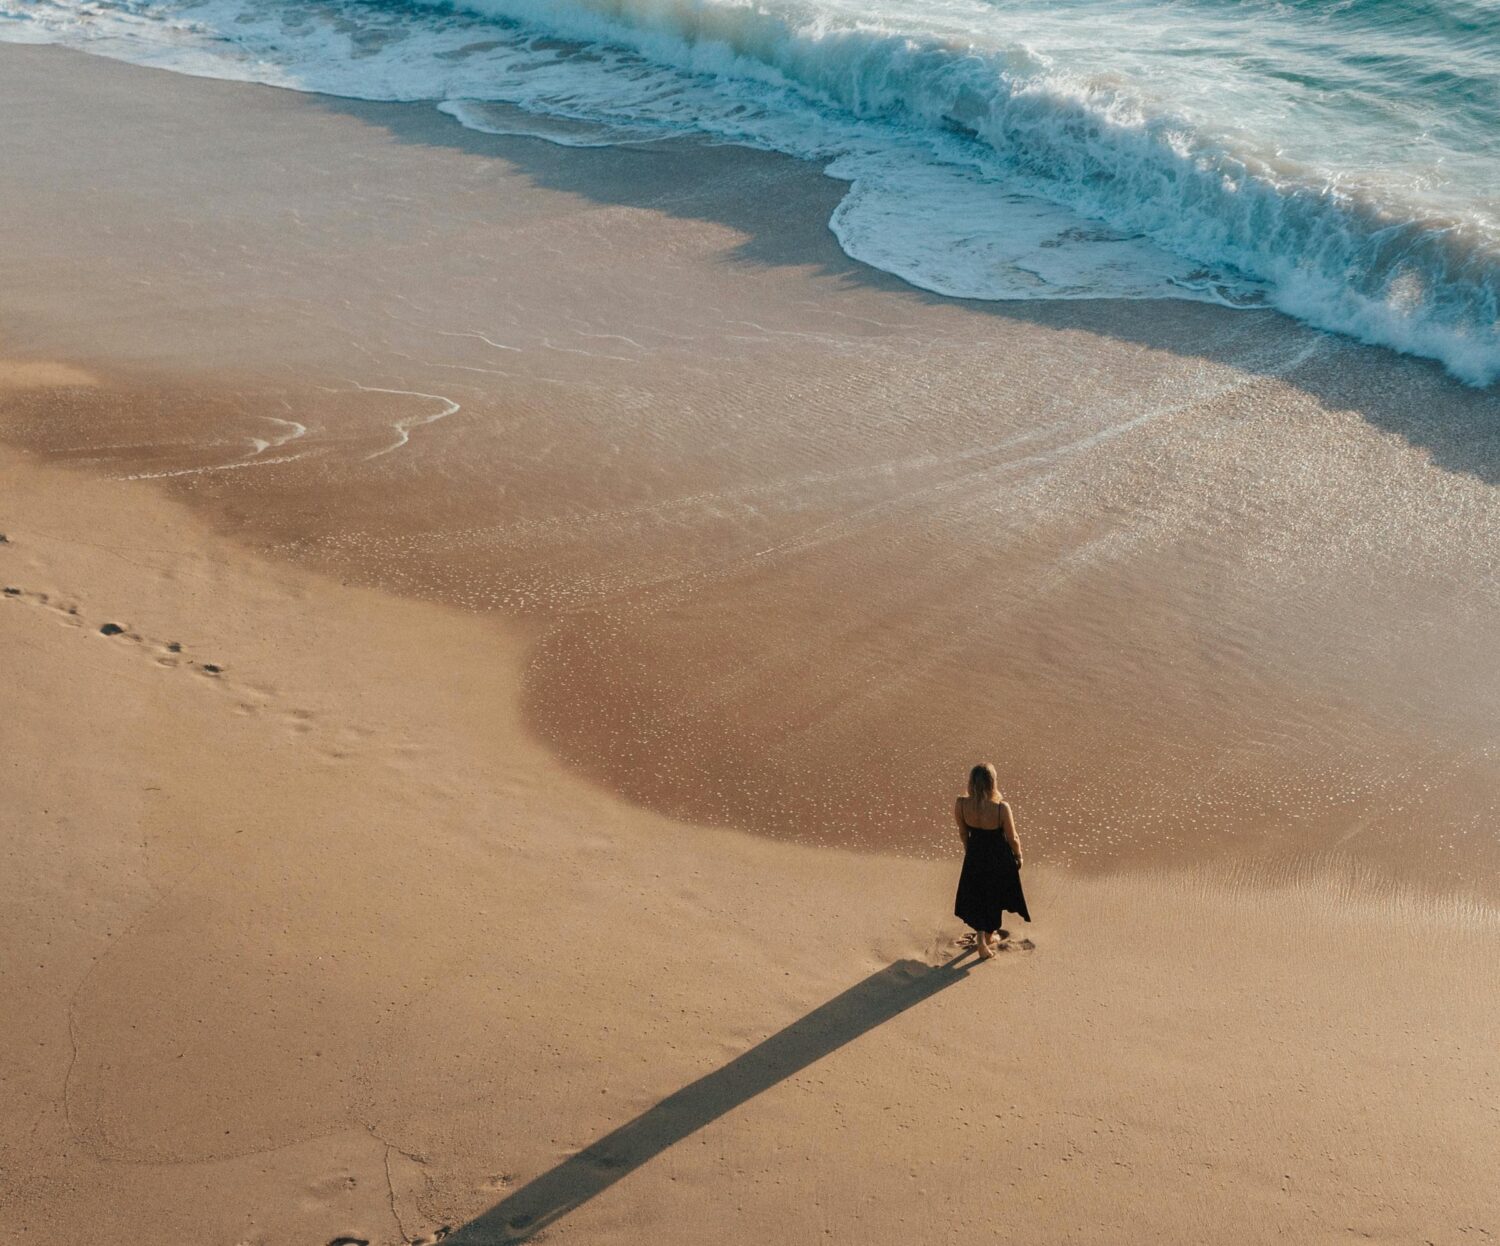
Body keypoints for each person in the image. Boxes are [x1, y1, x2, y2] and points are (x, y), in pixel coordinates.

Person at [953, 763, 1030, 958]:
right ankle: (986, 939)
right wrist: (1019, 855)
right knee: (993, 897)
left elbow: (963, 833)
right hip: (997, 857)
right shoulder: (1001, 808)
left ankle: (982, 939)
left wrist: (970, 851)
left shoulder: (961, 804)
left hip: (975, 854)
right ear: (992, 783)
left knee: (977, 894)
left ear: (971, 782)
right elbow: (1012, 837)